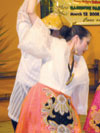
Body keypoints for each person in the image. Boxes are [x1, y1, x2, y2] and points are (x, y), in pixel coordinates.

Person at [15, 0, 91, 132]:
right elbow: (29, 12)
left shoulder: (81, 63)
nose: (87, 47)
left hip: (62, 110)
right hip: (41, 102)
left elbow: (78, 95)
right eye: (87, 42)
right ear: (77, 39)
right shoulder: (53, 44)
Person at [8, 0, 63, 131]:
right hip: (41, 106)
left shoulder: (27, 37)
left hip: (19, 104)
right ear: (57, 33)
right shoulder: (58, 48)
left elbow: (22, 13)